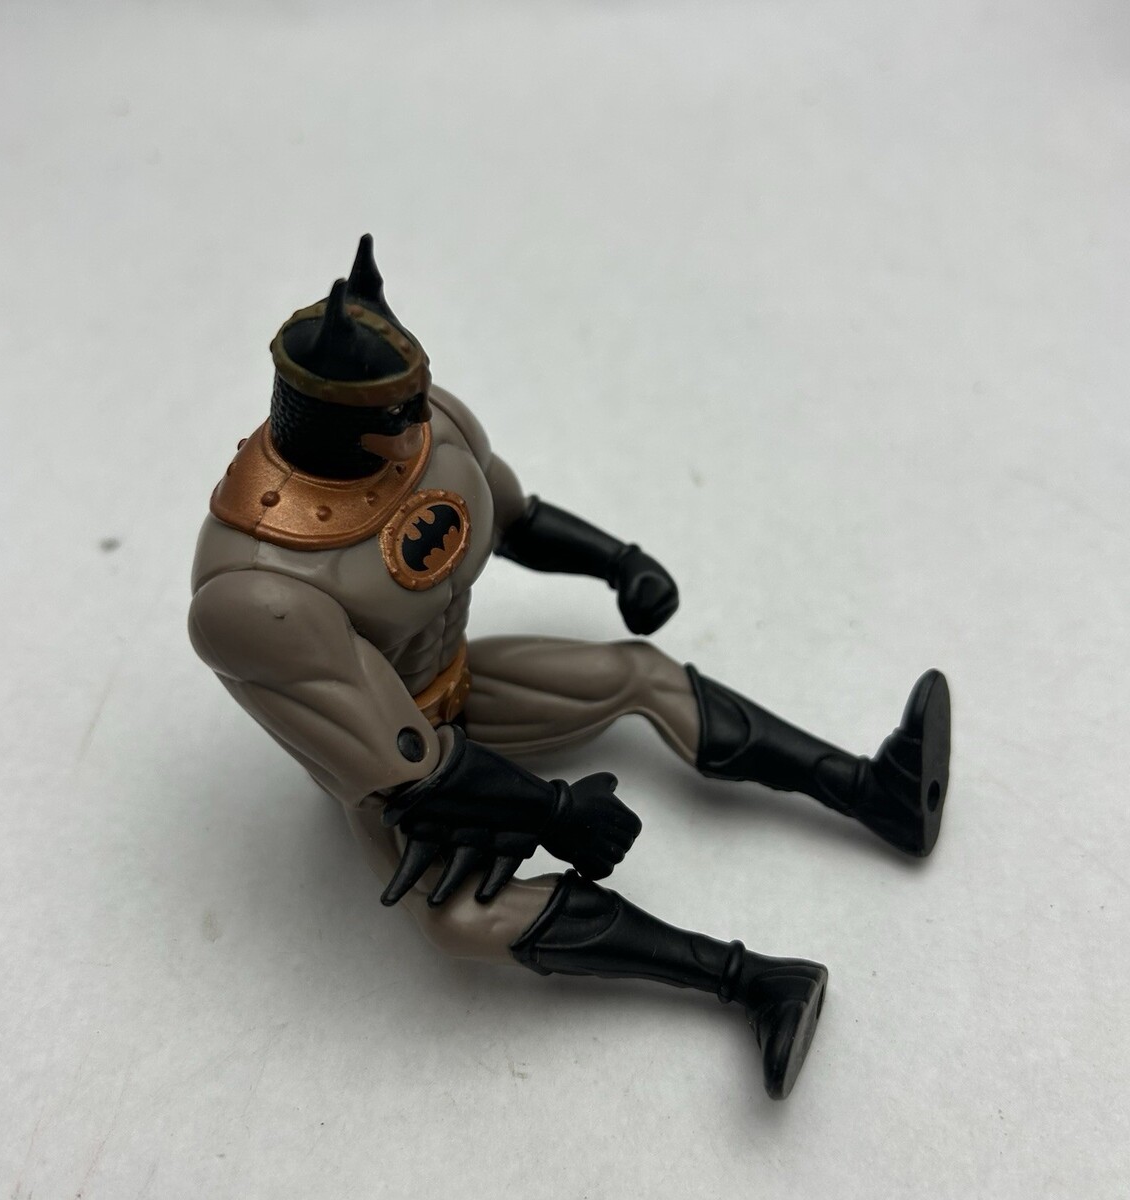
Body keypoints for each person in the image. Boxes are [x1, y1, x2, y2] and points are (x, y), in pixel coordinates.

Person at [188, 236, 951, 1100]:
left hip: (462, 683)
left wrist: (618, 562)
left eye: (416, 395)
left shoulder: (431, 430)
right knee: (460, 918)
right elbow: (410, 770)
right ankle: (753, 984)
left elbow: (515, 516)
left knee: (639, 673)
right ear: (337, 420)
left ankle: (874, 791)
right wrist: (552, 811)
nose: (420, 414)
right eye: (398, 408)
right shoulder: (253, 592)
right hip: (394, 770)